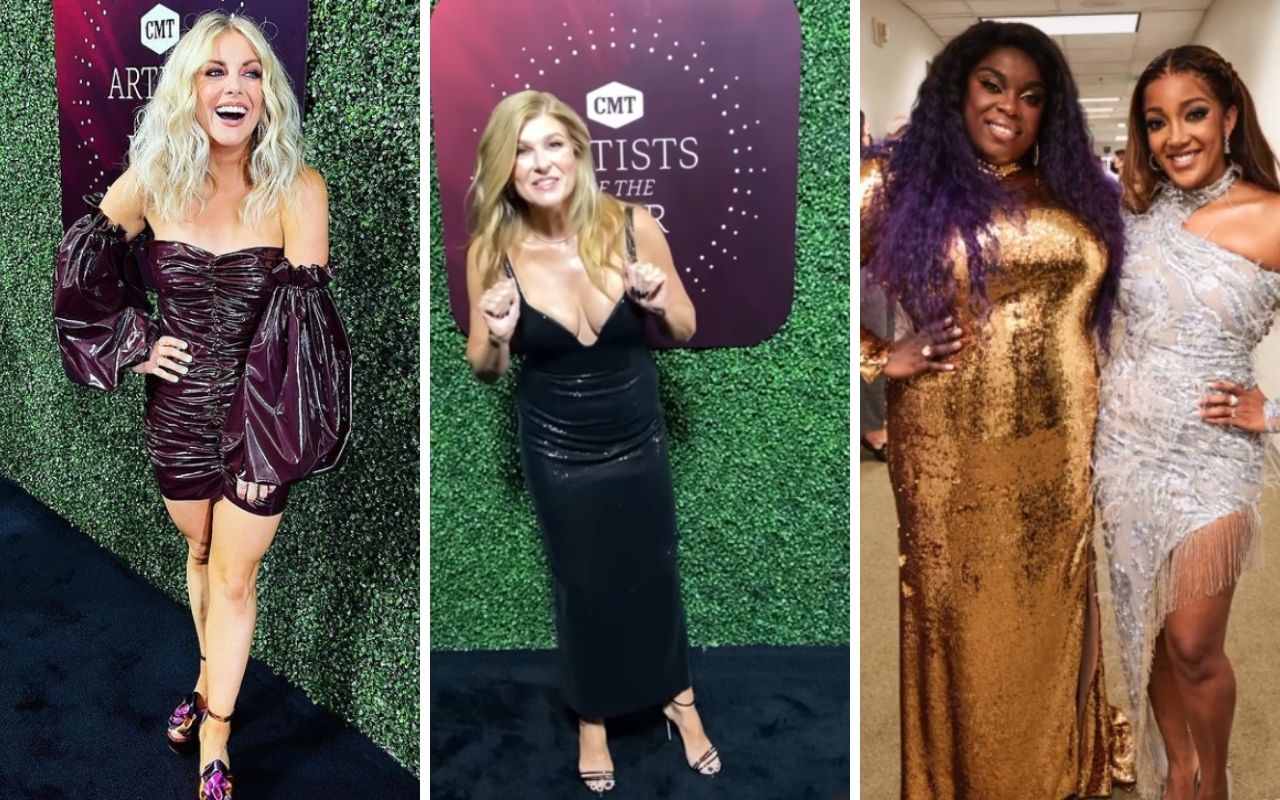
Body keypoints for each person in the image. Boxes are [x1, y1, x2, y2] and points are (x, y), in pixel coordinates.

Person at [53, 12, 350, 799]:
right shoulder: (151, 182)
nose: (234, 86)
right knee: (200, 554)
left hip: (261, 415)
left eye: (251, 72)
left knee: (236, 579)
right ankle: (207, 674)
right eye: (215, 70)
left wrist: (275, 436)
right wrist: (135, 343)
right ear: (187, 87)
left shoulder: (299, 188)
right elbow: (82, 262)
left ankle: (217, 729)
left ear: (268, 93)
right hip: (177, 413)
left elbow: (301, 333)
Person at [859, 21, 1135, 798]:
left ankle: (1063, 767)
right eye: (992, 84)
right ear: (958, 89)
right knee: (963, 618)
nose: (1010, 106)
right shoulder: (899, 181)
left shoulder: (1075, 187)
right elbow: (821, 275)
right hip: (951, 450)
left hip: (1064, 441)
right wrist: (879, 356)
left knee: (1059, 600)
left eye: (1031, 95)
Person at [463, 90, 718, 795]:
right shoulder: (492, 251)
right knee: (581, 582)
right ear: (505, 167)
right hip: (556, 445)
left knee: (655, 568)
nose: (540, 162)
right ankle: (593, 716)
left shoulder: (633, 226)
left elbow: (687, 325)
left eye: (553, 144)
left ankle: (681, 700)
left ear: (578, 152)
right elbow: (484, 368)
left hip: (636, 434)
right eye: (522, 150)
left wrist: (659, 301)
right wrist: (499, 334)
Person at [1094, 45, 1280, 800]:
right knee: (1149, 630)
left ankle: (1214, 782)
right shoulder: (1133, 219)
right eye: (1156, 121)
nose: (1175, 137)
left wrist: (1272, 411)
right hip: (1124, 453)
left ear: (1229, 118)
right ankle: (1178, 769)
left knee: (1194, 644)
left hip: (1214, 458)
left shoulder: (1272, 216)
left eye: (1193, 113)